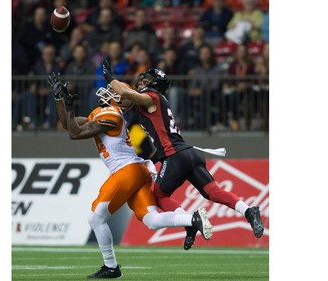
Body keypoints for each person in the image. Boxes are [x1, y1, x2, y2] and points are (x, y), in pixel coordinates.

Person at [47, 73, 213, 278]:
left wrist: (70, 106)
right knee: (152, 220)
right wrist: (60, 100)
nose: (110, 93)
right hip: (138, 170)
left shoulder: (112, 114)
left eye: (115, 92)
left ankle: (111, 267)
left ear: (124, 101)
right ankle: (192, 219)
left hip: (128, 170)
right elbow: (68, 125)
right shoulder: (104, 112)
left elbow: (75, 134)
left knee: (95, 218)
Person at [102, 58, 264, 250]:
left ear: (153, 84)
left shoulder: (151, 96)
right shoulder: (156, 100)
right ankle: (248, 211)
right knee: (213, 192)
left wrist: (109, 77)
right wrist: (154, 158)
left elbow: (125, 92)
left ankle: (189, 221)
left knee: (159, 195)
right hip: (189, 153)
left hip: (176, 156)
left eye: (146, 80)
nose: (141, 82)